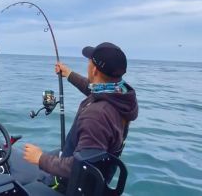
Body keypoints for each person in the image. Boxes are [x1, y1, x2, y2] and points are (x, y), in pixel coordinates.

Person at [22, 42, 138, 190]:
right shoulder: (120, 95)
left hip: (75, 185)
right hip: (98, 179)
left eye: (89, 61)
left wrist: (40, 158)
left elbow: (80, 166)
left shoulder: (96, 116)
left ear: (94, 70)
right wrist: (69, 74)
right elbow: (92, 89)